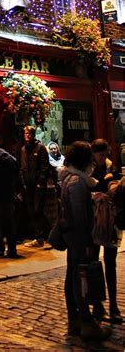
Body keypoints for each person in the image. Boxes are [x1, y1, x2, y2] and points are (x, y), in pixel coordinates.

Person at [60, 141, 111, 342]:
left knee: (72, 276)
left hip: (72, 237)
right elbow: (80, 216)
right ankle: (86, 322)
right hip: (78, 238)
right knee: (80, 278)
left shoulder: (70, 179)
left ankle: (75, 320)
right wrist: (88, 242)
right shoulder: (78, 183)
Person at [90, 139, 122, 324]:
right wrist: (104, 183)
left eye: (105, 154)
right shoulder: (89, 170)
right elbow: (91, 187)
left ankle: (114, 306)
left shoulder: (112, 168)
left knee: (110, 263)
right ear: (93, 154)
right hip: (94, 221)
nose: (103, 158)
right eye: (100, 154)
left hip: (111, 221)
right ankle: (97, 304)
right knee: (94, 263)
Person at [20, 125, 50, 248]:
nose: (27, 135)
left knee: (38, 210)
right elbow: (22, 168)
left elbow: (45, 167)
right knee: (31, 210)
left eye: (30, 133)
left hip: (37, 185)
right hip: (27, 186)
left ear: (34, 134)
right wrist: (23, 183)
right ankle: (37, 236)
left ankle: (40, 237)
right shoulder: (23, 149)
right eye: (26, 133)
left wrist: (40, 183)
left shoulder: (40, 148)